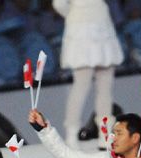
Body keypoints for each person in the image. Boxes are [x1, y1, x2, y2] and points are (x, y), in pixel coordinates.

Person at [52, 0, 122, 148]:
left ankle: (104, 134)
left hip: (97, 22)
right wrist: (77, 12)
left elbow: (60, 5)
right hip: (82, 26)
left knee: (104, 84)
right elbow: (59, 4)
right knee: (83, 83)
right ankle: (72, 133)